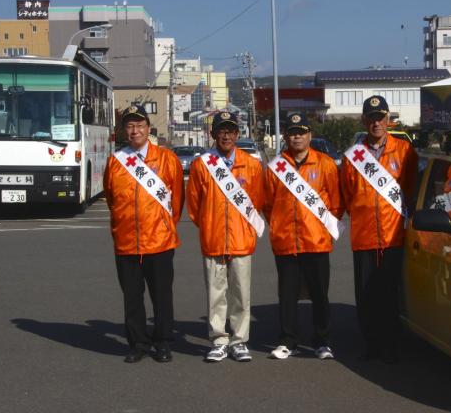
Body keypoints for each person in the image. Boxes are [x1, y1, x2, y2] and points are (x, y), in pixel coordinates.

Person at [103, 104, 184, 363]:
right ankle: (137, 342)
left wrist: (163, 225)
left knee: (162, 296)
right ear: (124, 130)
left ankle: (163, 342)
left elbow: (177, 202)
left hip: (159, 240)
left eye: (139, 125)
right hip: (127, 241)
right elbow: (111, 198)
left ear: (148, 128)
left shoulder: (167, 159)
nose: (134, 130)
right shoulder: (115, 162)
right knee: (132, 297)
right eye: (129, 125)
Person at [340, 95, 418, 363]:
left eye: (380, 118)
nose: (376, 123)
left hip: (393, 233)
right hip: (363, 234)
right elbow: (347, 194)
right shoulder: (353, 157)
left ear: (388, 120)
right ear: (364, 121)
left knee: (390, 290)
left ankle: (392, 342)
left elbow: (410, 189)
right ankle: (372, 343)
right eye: (371, 118)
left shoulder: (404, 150)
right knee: (366, 293)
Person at [264, 113, 343, 360]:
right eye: (292, 132)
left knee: (320, 293)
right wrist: (279, 225)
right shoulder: (276, 167)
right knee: (287, 294)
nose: (297, 136)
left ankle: (323, 340)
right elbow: (267, 203)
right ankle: (288, 340)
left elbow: (336, 204)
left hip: (316, 241)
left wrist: (324, 230)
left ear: (310, 135)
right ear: (285, 136)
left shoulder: (325, 164)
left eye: (302, 132)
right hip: (286, 241)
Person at [187, 111, 265, 363]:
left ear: (238, 134)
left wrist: (246, 230)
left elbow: (257, 202)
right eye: (221, 130)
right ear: (213, 134)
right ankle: (219, 339)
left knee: (241, 294)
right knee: (216, 293)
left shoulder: (251, 164)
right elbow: (195, 205)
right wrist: (210, 225)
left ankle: (239, 340)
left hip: (242, 240)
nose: (226, 135)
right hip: (213, 238)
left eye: (231, 130)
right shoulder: (202, 164)